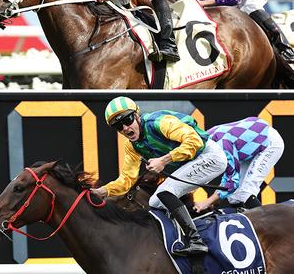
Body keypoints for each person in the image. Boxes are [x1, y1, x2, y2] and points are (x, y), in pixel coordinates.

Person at [91, 96, 226, 256]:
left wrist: (164, 160)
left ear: (137, 115)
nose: (126, 128)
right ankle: (186, 233)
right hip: (194, 162)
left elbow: (194, 141)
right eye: (118, 126)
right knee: (155, 201)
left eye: (127, 120)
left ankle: (196, 240)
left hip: (209, 156)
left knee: (165, 192)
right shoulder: (132, 146)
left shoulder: (158, 122)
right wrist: (102, 191)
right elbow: (127, 180)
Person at [193, 117, 284, 212]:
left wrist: (208, 202)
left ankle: (267, 225)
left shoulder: (222, 145)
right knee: (234, 197)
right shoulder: (206, 140)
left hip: (269, 142)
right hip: (252, 141)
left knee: (246, 192)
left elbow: (232, 182)